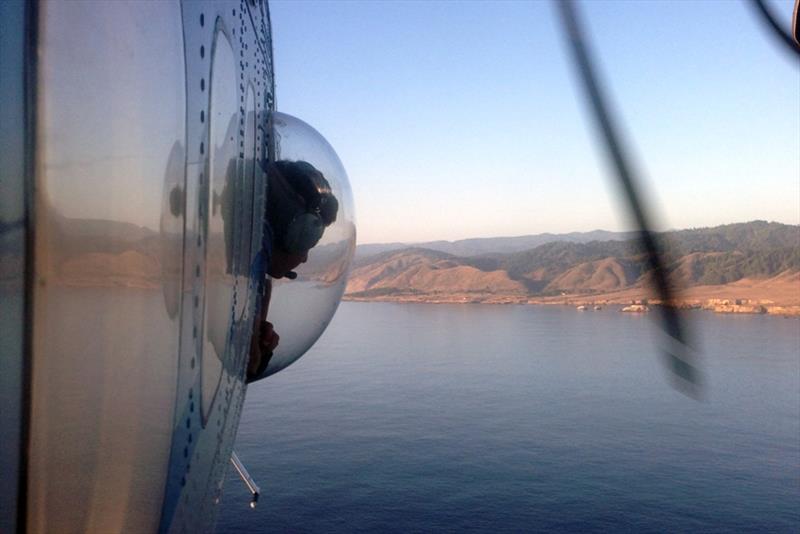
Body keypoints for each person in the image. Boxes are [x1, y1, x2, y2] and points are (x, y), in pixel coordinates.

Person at [246, 160, 338, 382]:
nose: (305, 257)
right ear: (299, 232)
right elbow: (249, 367)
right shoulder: (254, 257)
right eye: (310, 240)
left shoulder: (242, 254)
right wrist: (253, 351)